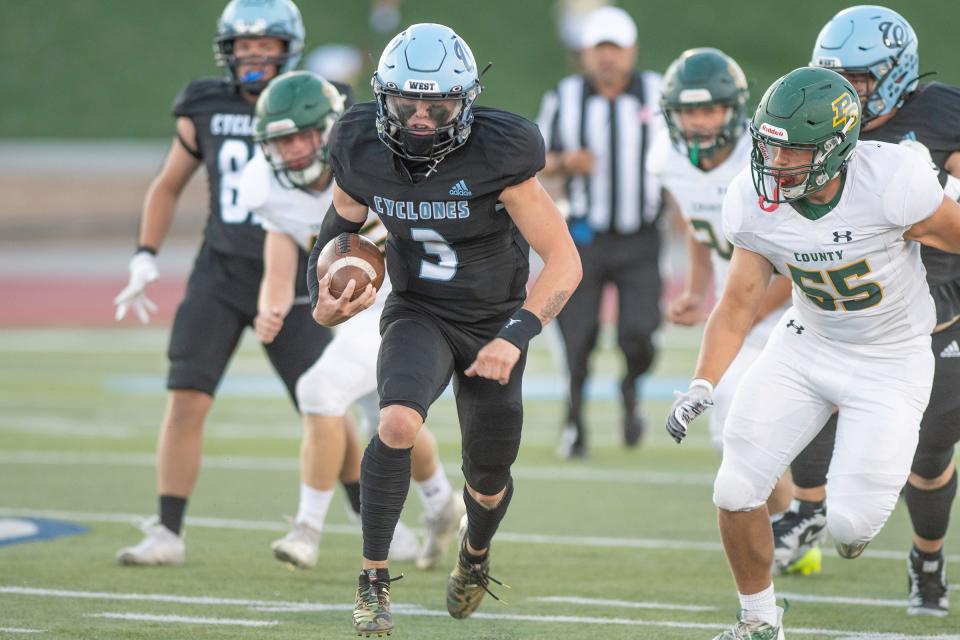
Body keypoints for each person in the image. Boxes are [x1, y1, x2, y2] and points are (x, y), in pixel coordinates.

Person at [305, 23, 581, 636]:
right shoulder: (359, 143)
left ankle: (475, 553)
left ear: (466, 100)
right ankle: (373, 582)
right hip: (419, 309)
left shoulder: (500, 151)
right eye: (408, 102)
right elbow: (335, 234)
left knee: (487, 481)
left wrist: (516, 335)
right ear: (384, 98)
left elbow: (564, 261)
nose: (423, 117)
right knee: (397, 421)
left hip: (492, 321)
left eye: (439, 103)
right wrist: (319, 300)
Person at [665, 66, 960, 639]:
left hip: (891, 359)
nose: (777, 164)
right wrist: (703, 383)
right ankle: (758, 621)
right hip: (807, 346)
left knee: (850, 532)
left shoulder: (893, 179)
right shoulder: (753, 199)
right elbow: (738, 302)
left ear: (836, 148)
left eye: (795, 151)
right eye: (771, 147)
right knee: (734, 487)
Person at [111, 0, 344, 566]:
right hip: (220, 272)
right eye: (244, 47)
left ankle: (373, 516)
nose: (254, 57)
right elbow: (168, 185)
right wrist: (145, 255)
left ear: (288, 48)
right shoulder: (205, 104)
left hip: (293, 277)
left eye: (266, 46)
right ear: (228, 50)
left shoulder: (320, 101)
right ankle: (167, 531)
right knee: (186, 396)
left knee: (325, 405)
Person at [772, 5, 960, 614]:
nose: (845, 90)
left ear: (896, 72)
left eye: (860, 79)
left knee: (928, 450)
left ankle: (926, 557)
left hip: (935, 302)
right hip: (849, 296)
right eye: (835, 75)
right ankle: (806, 507)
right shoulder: (813, 111)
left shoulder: (940, 114)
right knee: (803, 396)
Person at [241, 70, 464, 570]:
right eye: (282, 140)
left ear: (330, 132)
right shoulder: (263, 184)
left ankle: (307, 528)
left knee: (319, 391)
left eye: (303, 135)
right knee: (384, 412)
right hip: (346, 308)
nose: (295, 150)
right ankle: (441, 502)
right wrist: (272, 300)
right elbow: (281, 240)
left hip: (399, 300)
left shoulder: (375, 156)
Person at [536, 5, 664, 458]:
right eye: (598, 49)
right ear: (584, 54)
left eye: (615, 49)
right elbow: (537, 163)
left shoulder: (657, 94)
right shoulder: (564, 97)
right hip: (582, 239)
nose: (607, 58)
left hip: (640, 237)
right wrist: (568, 162)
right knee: (577, 336)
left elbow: (680, 162)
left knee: (640, 333)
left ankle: (630, 391)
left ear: (632, 51)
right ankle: (574, 423)